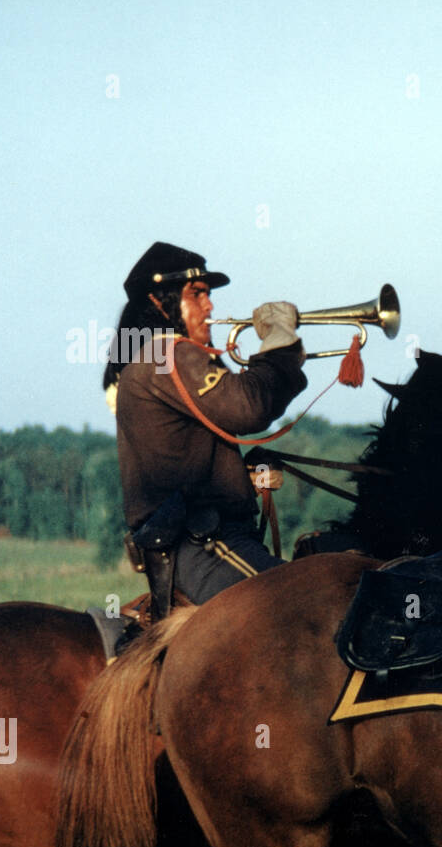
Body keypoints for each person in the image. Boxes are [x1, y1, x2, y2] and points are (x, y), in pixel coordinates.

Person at [105, 242, 307, 616]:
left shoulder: (154, 358)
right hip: (203, 543)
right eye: (196, 295)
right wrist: (279, 343)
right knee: (310, 603)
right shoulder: (168, 355)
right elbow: (250, 407)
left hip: (204, 540)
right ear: (159, 300)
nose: (209, 306)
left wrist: (242, 478)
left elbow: (186, 463)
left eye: (208, 295)